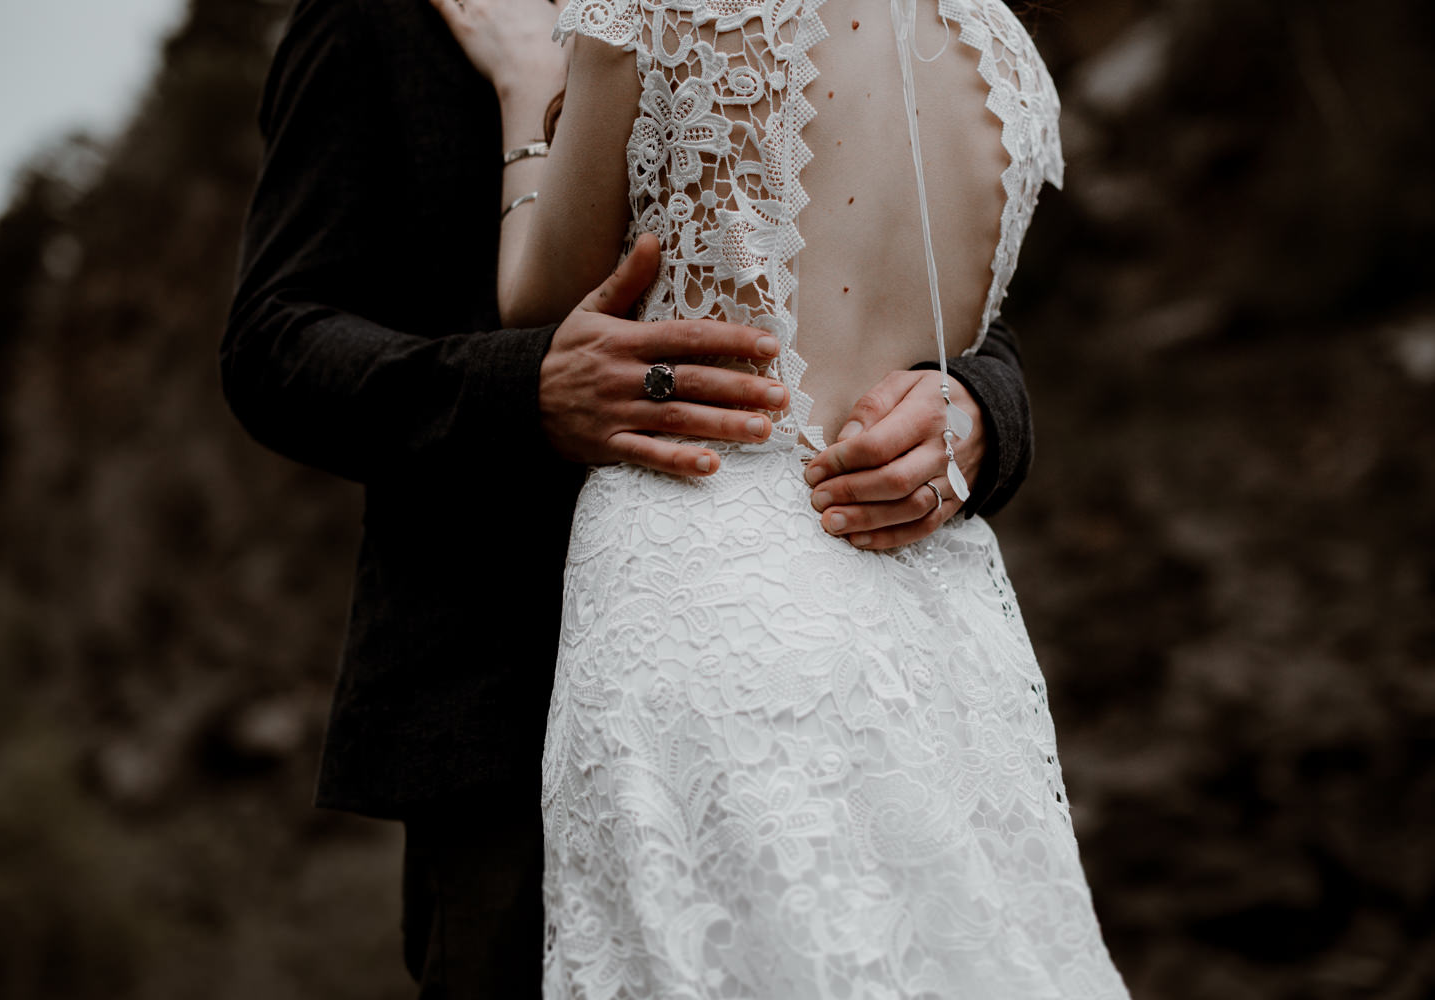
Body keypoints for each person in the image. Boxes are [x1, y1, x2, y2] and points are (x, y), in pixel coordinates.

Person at [221, 0, 1039, 995]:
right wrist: (520, 393)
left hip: (832, 665)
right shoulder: (384, 18)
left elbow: (898, 273)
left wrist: (981, 414)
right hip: (502, 703)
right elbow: (272, 340)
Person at [431, 0, 1131, 995]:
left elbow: (542, 303)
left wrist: (522, 98)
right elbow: (957, 343)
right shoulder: (1009, 63)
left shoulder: (655, 11)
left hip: (702, 582)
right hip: (929, 611)